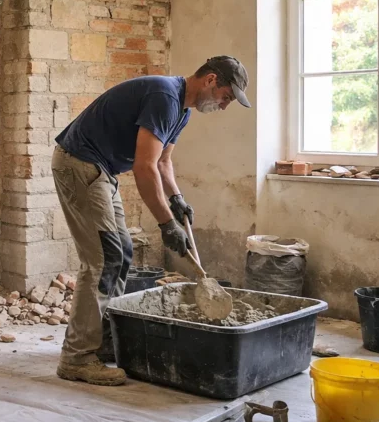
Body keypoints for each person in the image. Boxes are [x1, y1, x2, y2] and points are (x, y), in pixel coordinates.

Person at [51, 57, 250, 386]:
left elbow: (163, 162)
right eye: (227, 97)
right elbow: (144, 167)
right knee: (103, 258)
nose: (225, 106)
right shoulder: (165, 97)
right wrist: (165, 224)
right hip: (80, 164)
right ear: (212, 80)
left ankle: (100, 343)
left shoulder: (182, 110)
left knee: (122, 251)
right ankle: (77, 356)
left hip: (102, 171)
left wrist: (176, 199)